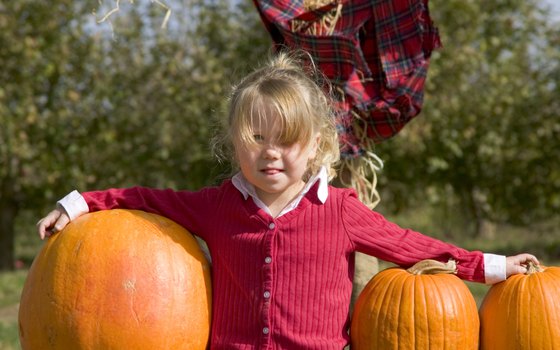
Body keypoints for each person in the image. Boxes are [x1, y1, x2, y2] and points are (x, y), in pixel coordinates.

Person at [37, 51, 538, 349]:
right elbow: (143, 198)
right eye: (255, 138)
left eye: (287, 141)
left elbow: (412, 246)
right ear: (234, 143)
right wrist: (77, 203)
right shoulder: (217, 207)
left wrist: (493, 267)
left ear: (316, 144)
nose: (270, 154)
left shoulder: (340, 209)